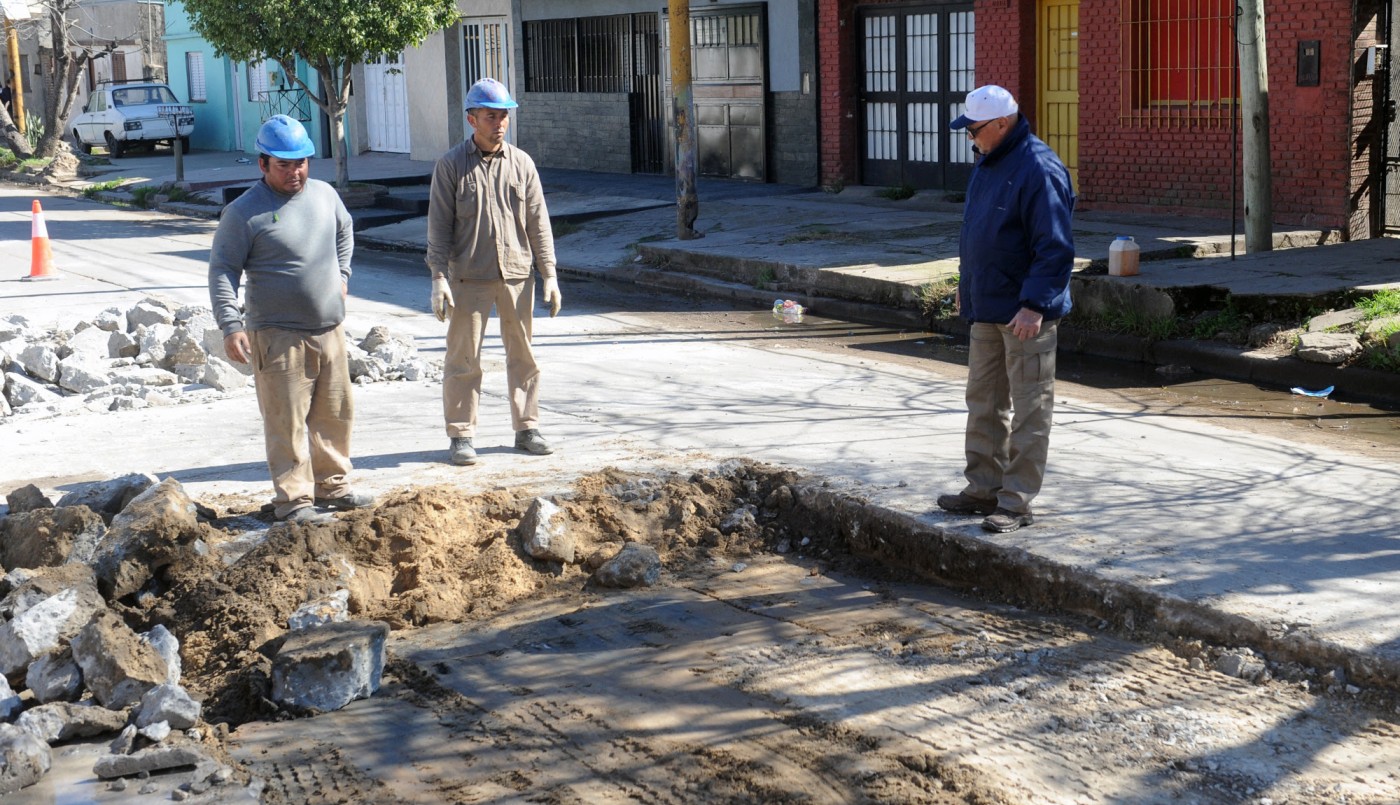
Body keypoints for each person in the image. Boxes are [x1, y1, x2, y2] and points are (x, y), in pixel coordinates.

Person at [208, 115, 374, 524]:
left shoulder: (324, 195)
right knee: (286, 422)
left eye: (301, 162)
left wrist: (343, 275)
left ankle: (333, 487)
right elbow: (222, 270)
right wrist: (231, 325)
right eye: (284, 164)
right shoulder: (243, 213)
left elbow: (344, 231)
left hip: (329, 329)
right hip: (277, 335)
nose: (295, 171)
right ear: (262, 164)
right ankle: (294, 500)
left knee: (335, 414)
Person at [937, 85, 1075, 534]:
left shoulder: (1039, 167)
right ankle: (982, 488)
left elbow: (1054, 247)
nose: (970, 138)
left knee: (1030, 407)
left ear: (1001, 124)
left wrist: (1035, 305)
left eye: (974, 130)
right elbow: (975, 233)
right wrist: (966, 285)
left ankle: (1015, 502)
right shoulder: (988, 161)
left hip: (1023, 313)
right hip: (987, 304)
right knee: (983, 402)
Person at [426, 77, 562, 466]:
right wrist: (438, 277)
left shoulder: (522, 164)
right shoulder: (451, 166)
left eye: (504, 115)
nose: (500, 123)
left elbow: (539, 222)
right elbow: (437, 226)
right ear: (472, 120)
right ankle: (461, 435)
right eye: (491, 116)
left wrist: (549, 274)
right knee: (464, 358)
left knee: (523, 355)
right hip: (468, 276)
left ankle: (527, 427)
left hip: (518, 276)